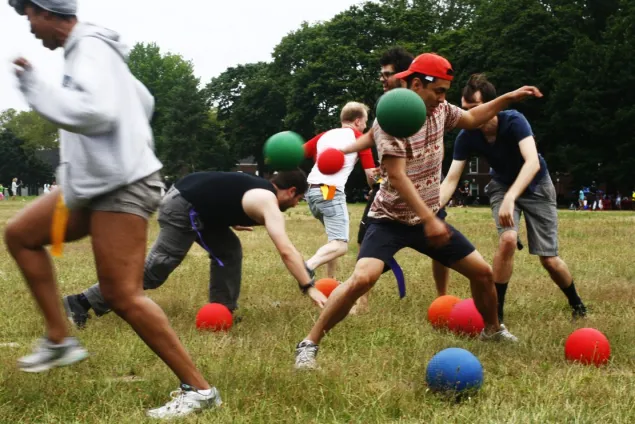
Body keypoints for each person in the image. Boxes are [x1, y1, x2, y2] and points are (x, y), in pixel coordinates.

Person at [7, 0, 222, 418]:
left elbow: (97, 111)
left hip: (121, 187)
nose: (29, 27)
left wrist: (34, 87)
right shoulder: (89, 52)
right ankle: (59, 339)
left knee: (123, 295)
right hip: (92, 186)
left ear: (47, 11)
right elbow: (143, 100)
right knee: (20, 234)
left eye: (29, 15)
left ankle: (199, 390)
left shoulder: (90, 48)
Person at [294, 53, 543, 370]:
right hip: (389, 220)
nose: (443, 98)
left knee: (482, 273)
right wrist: (429, 219)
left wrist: (507, 98)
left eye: (445, 92)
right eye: (438, 90)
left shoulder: (439, 110)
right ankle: (309, 344)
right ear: (416, 84)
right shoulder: (392, 120)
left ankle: (493, 330)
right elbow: (396, 177)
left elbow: (471, 119)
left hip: (428, 218)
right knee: (361, 279)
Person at [64, 170, 324, 325]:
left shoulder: (259, 188)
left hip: (195, 204)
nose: (297, 204)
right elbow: (286, 249)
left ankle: (222, 311)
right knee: (156, 269)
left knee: (228, 250)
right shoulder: (267, 199)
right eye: (299, 198)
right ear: (291, 191)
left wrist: (231, 220)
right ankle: (80, 301)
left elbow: (224, 193)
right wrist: (308, 286)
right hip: (183, 205)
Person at [440, 74, 587, 323]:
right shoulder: (467, 134)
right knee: (507, 239)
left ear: (492, 104)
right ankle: (497, 315)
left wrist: (511, 197)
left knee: (549, 260)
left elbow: (531, 163)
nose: (468, 116)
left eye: (474, 109)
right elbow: (452, 178)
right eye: (464, 110)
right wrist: (431, 208)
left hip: (537, 185)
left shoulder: (514, 121)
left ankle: (576, 304)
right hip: (502, 184)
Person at [355, 47, 451, 314]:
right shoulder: (389, 106)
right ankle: (362, 299)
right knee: (367, 241)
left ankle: (442, 298)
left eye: (388, 74)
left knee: (441, 242)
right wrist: (343, 150)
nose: (383, 79)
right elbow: (373, 136)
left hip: (425, 190)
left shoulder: (429, 105)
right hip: (392, 193)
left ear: (405, 76)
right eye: (381, 75)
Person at [304, 102, 376, 279]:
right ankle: (306, 268)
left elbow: (297, 153)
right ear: (358, 121)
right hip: (329, 191)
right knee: (340, 244)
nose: (366, 126)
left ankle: (330, 280)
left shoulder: (324, 135)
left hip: (312, 191)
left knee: (333, 238)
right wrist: (376, 188)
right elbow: (371, 175)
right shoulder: (359, 138)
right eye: (365, 122)